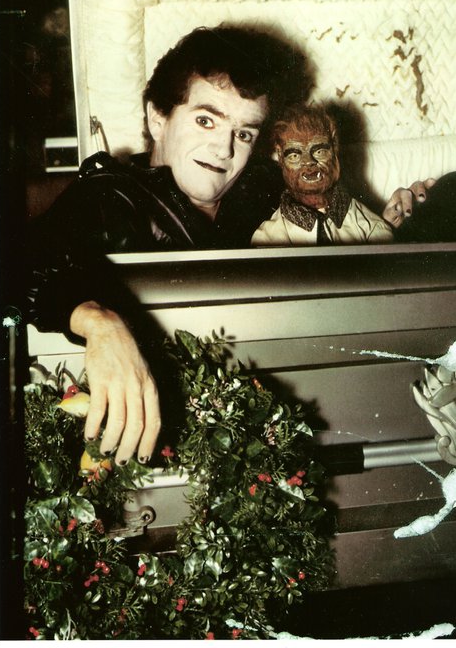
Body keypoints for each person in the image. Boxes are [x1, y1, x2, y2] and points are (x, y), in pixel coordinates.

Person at [26, 25, 311, 466]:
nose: (224, 148)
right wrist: (96, 320)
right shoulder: (110, 197)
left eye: (244, 134)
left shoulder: (263, 192)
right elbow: (16, 264)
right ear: (158, 119)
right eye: (205, 120)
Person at [251, 104, 393, 246]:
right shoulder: (268, 237)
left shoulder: (369, 226)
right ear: (280, 158)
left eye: (319, 152)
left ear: (335, 149)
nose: (308, 162)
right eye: (294, 156)